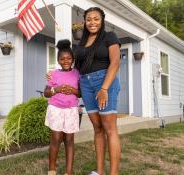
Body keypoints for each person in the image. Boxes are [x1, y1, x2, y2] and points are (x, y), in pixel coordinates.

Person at [75, 7, 122, 175]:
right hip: (85, 84)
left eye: (96, 19)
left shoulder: (109, 36)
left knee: (110, 128)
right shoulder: (81, 42)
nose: (92, 22)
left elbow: (115, 62)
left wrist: (104, 88)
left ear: (102, 20)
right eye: (89, 19)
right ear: (84, 22)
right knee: (97, 128)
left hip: (104, 81)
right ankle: (100, 172)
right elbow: (77, 67)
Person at [44, 39, 80, 175]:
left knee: (70, 141)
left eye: (69, 58)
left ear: (73, 59)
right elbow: (46, 93)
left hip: (71, 110)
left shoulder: (77, 73)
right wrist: (57, 89)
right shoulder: (54, 74)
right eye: (62, 59)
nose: (66, 61)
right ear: (58, 60)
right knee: (56, 139)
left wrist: (73, 90)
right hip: (56, 109)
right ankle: (52, 170)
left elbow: (81, 92)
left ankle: (68, 172)